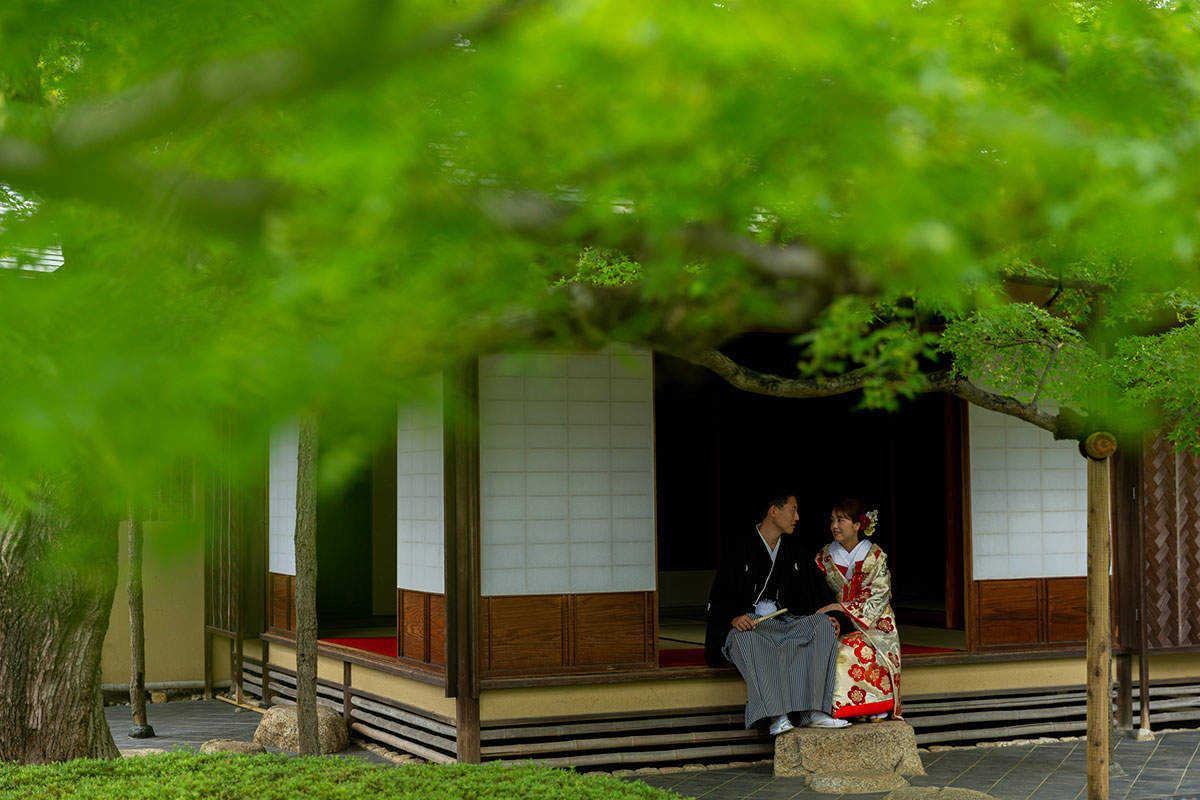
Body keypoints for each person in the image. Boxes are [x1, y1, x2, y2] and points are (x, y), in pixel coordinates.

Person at [705, 491, 854, 734]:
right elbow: (719, 599)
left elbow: (819, 595)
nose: (797, 517)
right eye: (793, 510)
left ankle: (814, 711)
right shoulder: (740, 546)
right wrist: (733, 617)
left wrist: (835, 618)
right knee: (748, 638)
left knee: (822, 626)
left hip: (785, 623)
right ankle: (777, 716)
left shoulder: (794, 551)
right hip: (751, 625)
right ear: (774, 511)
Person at [815, 497, 902, 721]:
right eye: (832, 519)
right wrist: (836, 613)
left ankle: (876, 704)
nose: (835, 525)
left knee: (852, 650)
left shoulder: (875, 556)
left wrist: (840, 606)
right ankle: (846, 708)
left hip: (874, 623)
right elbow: (817, 595)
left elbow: (879, 594)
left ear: (857, 525)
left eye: (841, 520)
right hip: (836, 621)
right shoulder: (823, 558)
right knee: (831, 648)